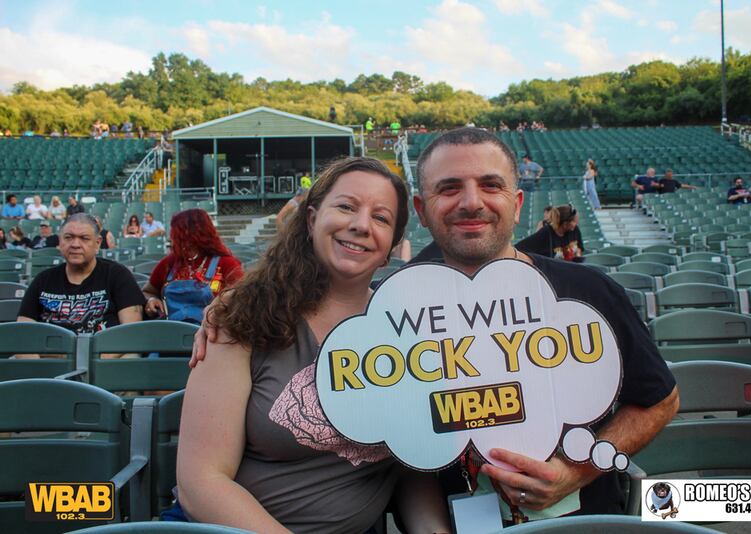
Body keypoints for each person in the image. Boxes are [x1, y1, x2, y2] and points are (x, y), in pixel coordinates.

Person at [192, 128, 679, 518]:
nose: (471, 202)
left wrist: (578, 470)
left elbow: (661, 399)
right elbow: (404, 456)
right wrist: (229, 309)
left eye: (490, 185)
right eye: (449, 188)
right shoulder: (396, 312)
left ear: (517, 202)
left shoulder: (588, 290)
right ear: (423, 212)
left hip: (583, 523)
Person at [176, 157, 450, 532]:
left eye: (381, 218)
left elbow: (410, 470)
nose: (360, 225)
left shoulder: (410, 329)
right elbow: (201, 482)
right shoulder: (242, 314)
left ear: (391, 246)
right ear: (311, 220)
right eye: (346, 207)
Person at [17, 213, 144, 339]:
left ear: (98, 243)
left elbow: (131, 335)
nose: (75, 244)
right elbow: (23, 332)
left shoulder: (118, 275)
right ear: (60, 241)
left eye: (84, 238)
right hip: (49, 357)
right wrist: (35, 359)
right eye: (68, 237)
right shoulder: (43, 280)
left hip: (107, 356)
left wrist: (88, 359)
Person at [142, 209, 243, 324]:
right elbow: (147, 291)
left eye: (176, 234)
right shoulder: (169, 263)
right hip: (171, 332)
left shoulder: (227, 263)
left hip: (212, 334)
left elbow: (242, 299)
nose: (173, 238)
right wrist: (151, 300)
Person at [516, 204, 584, 262]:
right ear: (565, 224)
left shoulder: (575, 230)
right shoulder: (546, 233)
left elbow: (580, 248)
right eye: (574, 221)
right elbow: (520, 247)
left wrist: (577, 254)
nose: (576, 223)